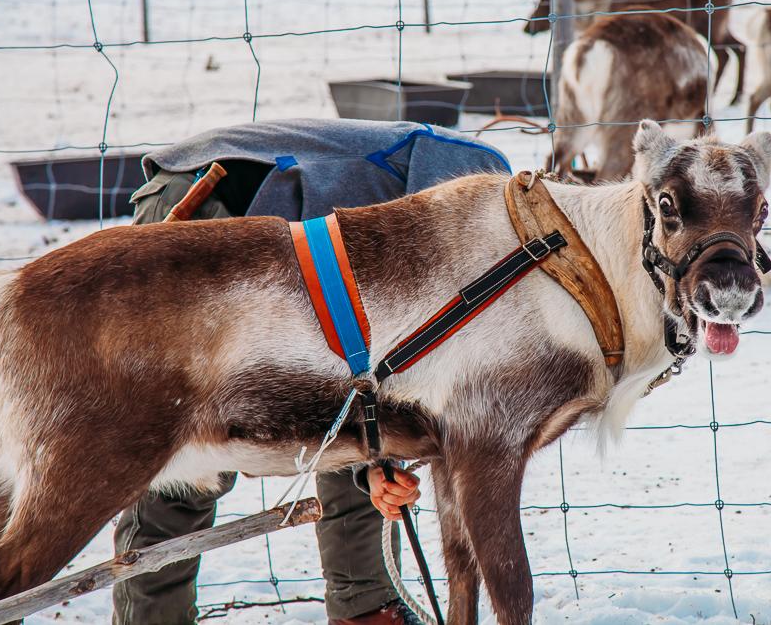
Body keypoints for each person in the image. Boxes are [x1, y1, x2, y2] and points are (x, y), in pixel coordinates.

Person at [116, 118, 511, 625]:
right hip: (216, 198)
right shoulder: (484, 200)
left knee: (356, 421)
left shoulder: (495, 233)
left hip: (294, 243)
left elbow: (376, 365)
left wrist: (379, 466)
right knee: (189, 450)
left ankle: (363, 607)